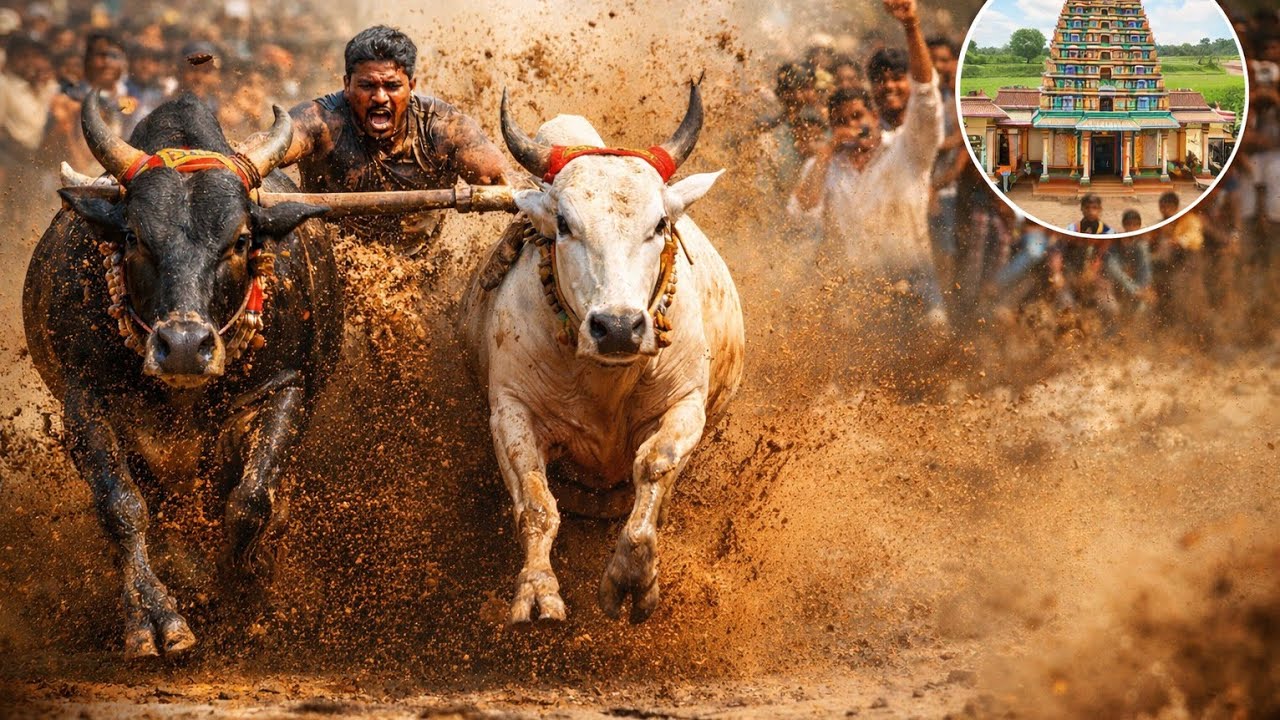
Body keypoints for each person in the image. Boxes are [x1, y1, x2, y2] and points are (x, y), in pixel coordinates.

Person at [256, 25, 510, 255]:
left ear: (411, 86)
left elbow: (502, 182)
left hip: (421, 269)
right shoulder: (321, 121)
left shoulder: (443, 128)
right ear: (347, 85)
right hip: (324, 268)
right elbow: (262, 151)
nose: (379, 98)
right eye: (367, 86)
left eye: (391, 86)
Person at [793, 0, 947, 329]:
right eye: (841, 121)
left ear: (874, 116)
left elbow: (925, 96)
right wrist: (826, 151)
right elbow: (801, 211)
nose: (852, 126)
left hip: (913, 278)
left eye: (858, 116)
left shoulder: (907, 149)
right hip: (860, 289)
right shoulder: (826, 166)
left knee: (933, 343)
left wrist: (911, 25)